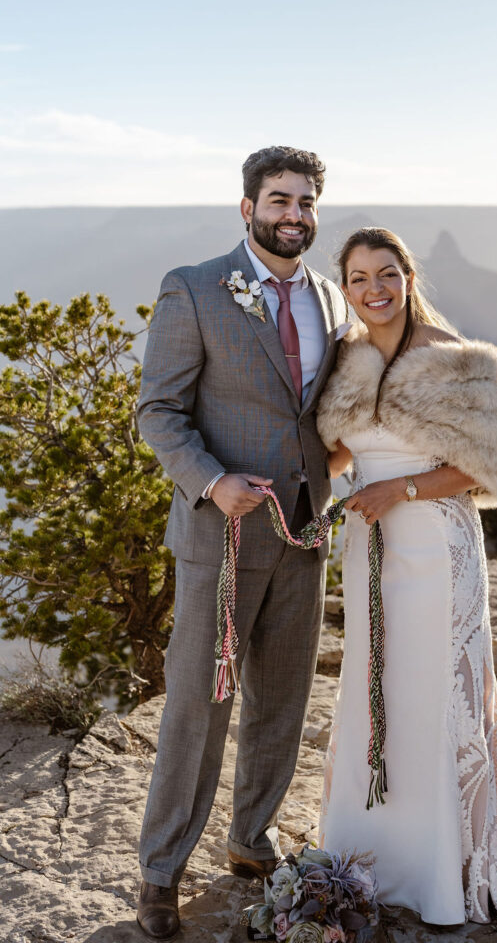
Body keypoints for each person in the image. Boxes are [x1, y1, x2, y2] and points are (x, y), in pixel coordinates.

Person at [315, 227, 497, 928]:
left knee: (435, 693)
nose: (374, 289)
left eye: (387, 273)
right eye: (359, 277)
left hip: (438, 552)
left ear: (407, 276)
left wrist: (395, 493)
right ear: (345, 288)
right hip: (369, 553)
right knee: (376, 689)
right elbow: (339, 454)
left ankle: (442, 870)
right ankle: (369, 854)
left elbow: (487, 469)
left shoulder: (457, 361)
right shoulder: (346, 360)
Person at [135, 146, 348, 940]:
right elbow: (157, 413)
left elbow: (322, 410)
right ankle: (160, 871)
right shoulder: (193, 288)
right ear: (247, 208)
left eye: (304, 202)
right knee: (200, 704)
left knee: (282, 701)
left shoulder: (329, 298)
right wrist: (210, 479)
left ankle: (249, 839)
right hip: (219, 535)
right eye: (278, 200)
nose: (292, 215)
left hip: (303, 532)